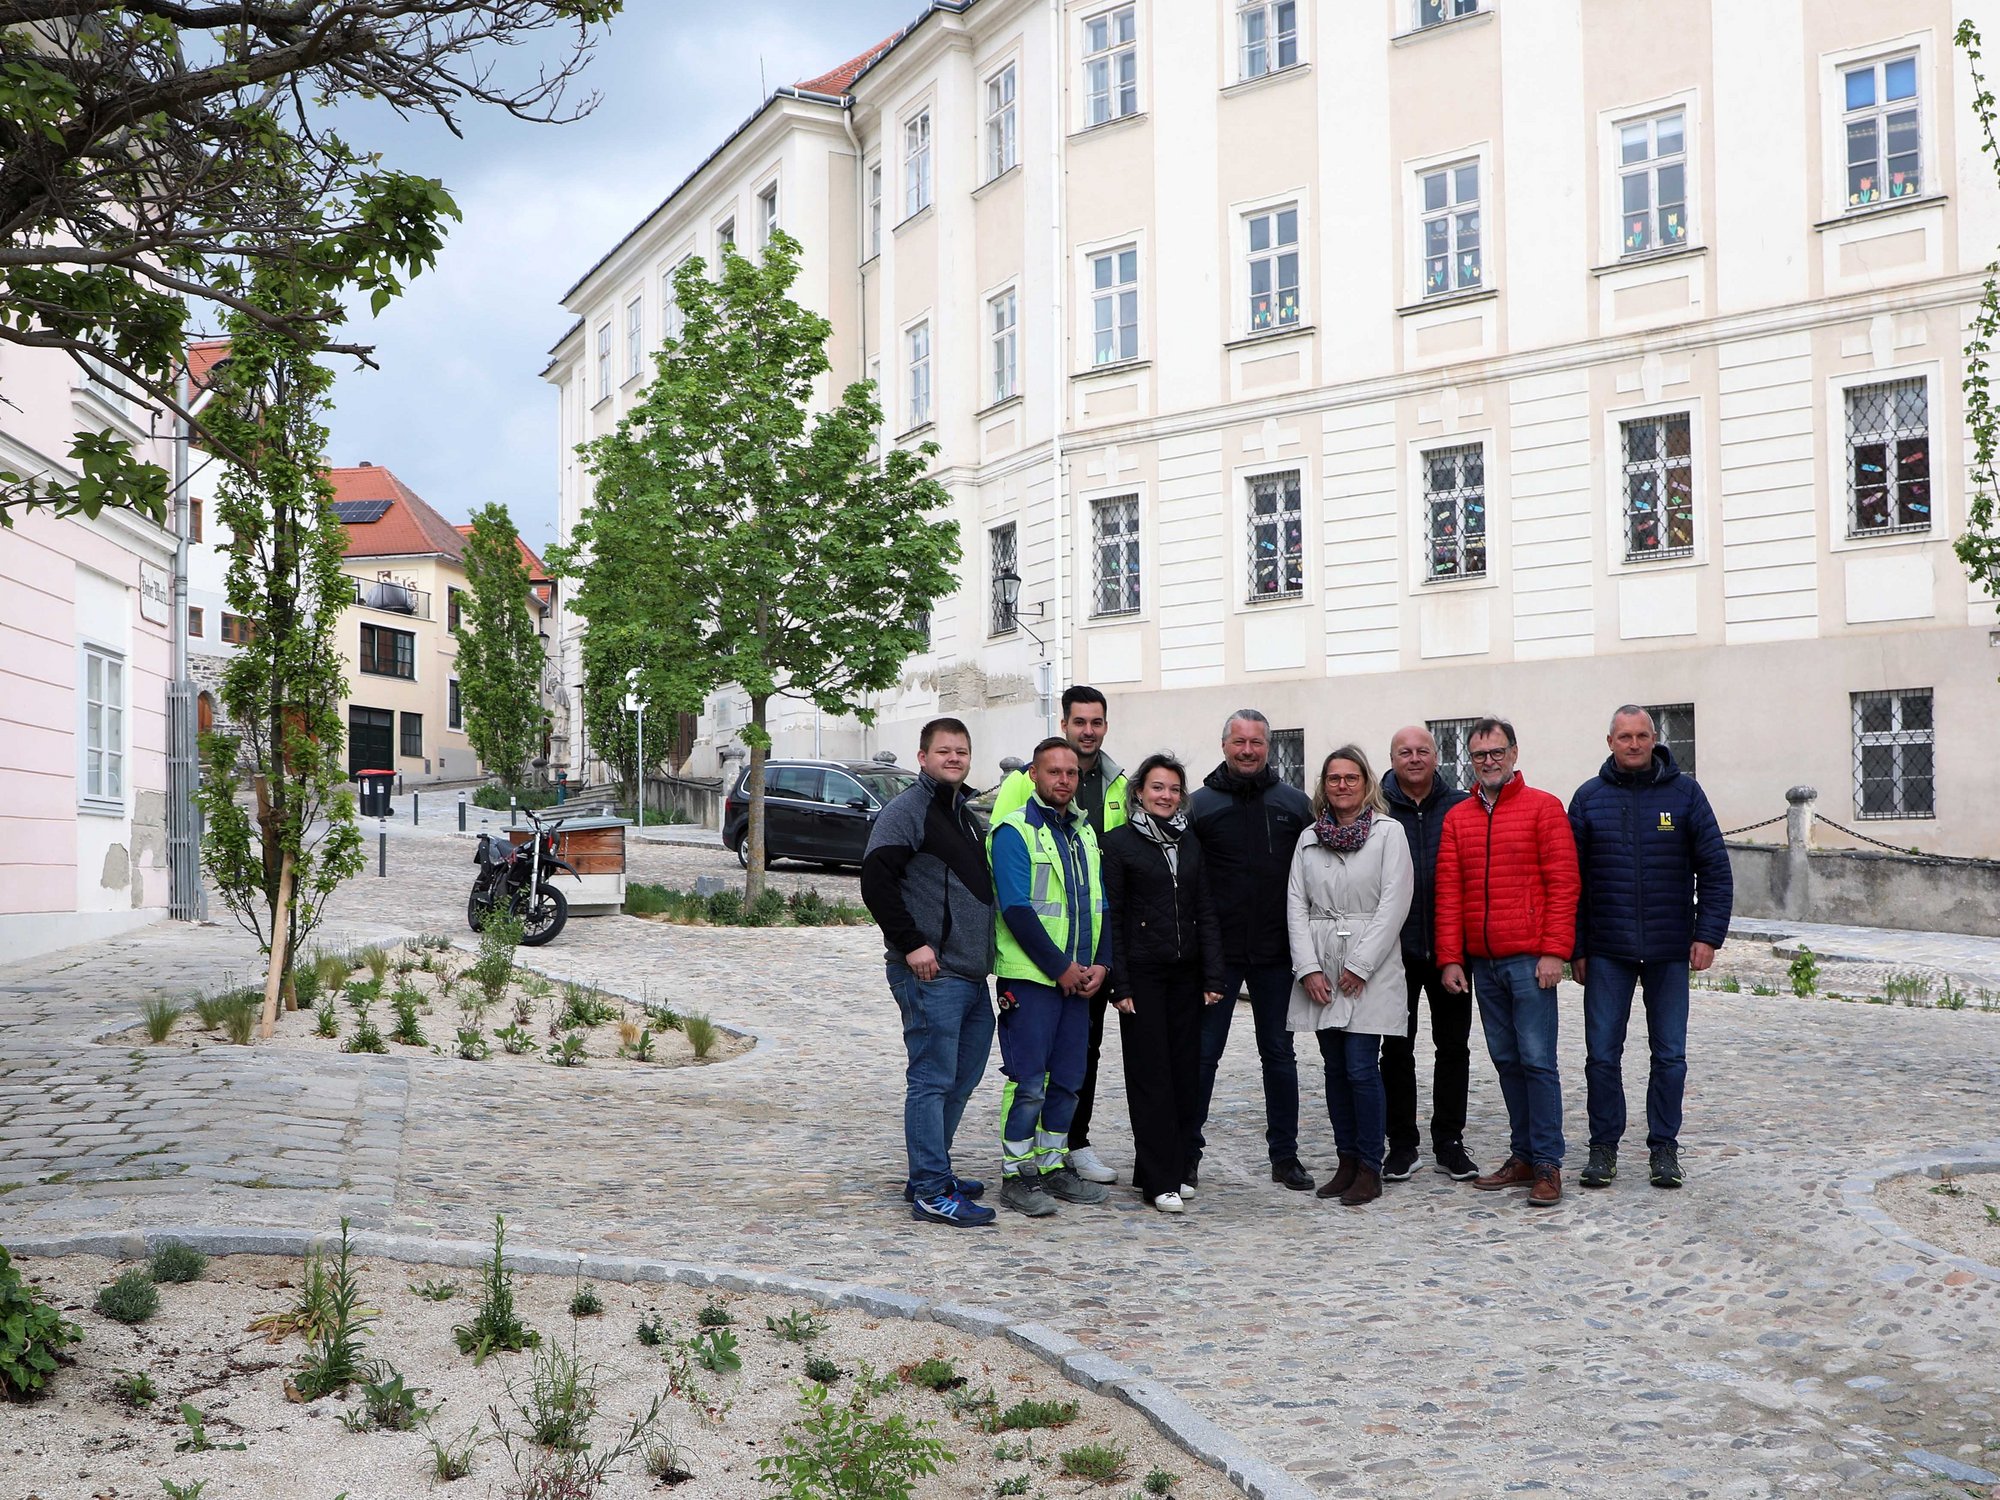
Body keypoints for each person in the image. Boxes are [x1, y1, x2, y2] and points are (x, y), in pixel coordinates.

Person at [1568, 705, 1734, 1192]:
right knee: (1601, 1055)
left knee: (1670, 1056)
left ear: (1655, 738)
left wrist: (1707, 935)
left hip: (1667, 949)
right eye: (1624, 737)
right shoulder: (1588, 798)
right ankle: (1603, 1147)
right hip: (1606, 950)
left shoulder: (1685, 794)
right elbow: (1569, 881)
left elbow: (1715, 869)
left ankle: (1664, 1147)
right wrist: (1576, 946)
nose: (1634, 744)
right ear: (1610, 741)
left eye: (1642, 735)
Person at [1435, 717, 1580, 1208]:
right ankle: (1523, 1154)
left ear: (1514, 754)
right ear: (1470, 761)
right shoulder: (1459, 817)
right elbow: (1449, 892)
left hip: (1529, 959)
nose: (1489, 761)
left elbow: (1564, 884)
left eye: (1497, 752)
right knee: (1506, 1061)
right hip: (1483, 962)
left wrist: (1554, 951)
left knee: (1538, 1061)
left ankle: (1547, 1163)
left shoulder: (1543, 808)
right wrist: (1451, 958)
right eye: (1480, 756)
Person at [861, 717, 998, 1227]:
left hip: (968, 974)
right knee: (932, 1080)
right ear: (923, 757)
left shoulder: (963, 814)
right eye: (944, 751)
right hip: (930, 973)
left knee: (960, 1080)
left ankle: (929, 1172)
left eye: (962, 751)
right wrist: (913, 943)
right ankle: (932, 1191)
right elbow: (875, 881)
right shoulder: (908, 811)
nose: (955, 759)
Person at [989, 686, 1128, 1186]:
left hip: (1081, 979)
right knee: (1028, 1081)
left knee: (1069, 1081)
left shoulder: (1083, 832)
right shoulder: (1014, 831)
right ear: (1034, 776)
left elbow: (1101, 906)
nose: (1065, 780)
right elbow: (1017, 910)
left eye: (1071, 773)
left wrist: (1103, 966)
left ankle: (1051, 1164)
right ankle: (1017, 1172)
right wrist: (1061, 967)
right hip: (1033, 979)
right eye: (1054, 772)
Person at [1190, 709, 1317, 1192]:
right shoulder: (1199, 806)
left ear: (1269, 747)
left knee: (1279, 1056)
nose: (1248, 750)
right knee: (1203, 1056)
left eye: (1257, 743)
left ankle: (1285, 1156)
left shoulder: (1294, 805)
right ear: (1224, 745)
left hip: (1276, 953)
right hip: (1217, 955)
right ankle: (1188, 1152)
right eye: (1239, 742)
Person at [1286, 746, 1414, 1207]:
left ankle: (1368, 1164)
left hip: (1370, 964)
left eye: (1351, 778)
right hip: (1322, 961)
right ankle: (1345, 1158)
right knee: (1335, 1068)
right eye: (1334, 778)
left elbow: (1395, 903)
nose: (1342, 785)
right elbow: (1296, 906)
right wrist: (1308, 968)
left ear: (1366, 783)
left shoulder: (1388, 833)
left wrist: (1360, 965)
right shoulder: (1308, 839)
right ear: (1324, 785)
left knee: (1361, 1066)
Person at [1100, 753, 1224, 1214]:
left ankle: (1162, 1167)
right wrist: (1121, 984)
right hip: (1143, 976)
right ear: (1139, 792)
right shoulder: (1118, 845)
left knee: (1183, 1074)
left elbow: (1205, 909)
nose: (1166, 796)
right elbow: (1113, 918)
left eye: (1173, 789)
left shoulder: (1189, 843)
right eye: (1157, 788)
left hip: (1185, 973)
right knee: (1151, 1078)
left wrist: (1213, 973)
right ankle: (1159, 1180)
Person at [1380, 726, 1478, 1183]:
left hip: (1450, 950)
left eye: (1422, 750)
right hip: (1391, 953)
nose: (1414, 758)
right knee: (1395, 1050)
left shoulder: (1461, 804)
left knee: (1453, 1048)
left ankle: (1449, 1141)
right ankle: (1401, 1144)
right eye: (1405, 752)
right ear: (1392, 757)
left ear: (1437, 756)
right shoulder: (1375, 806)